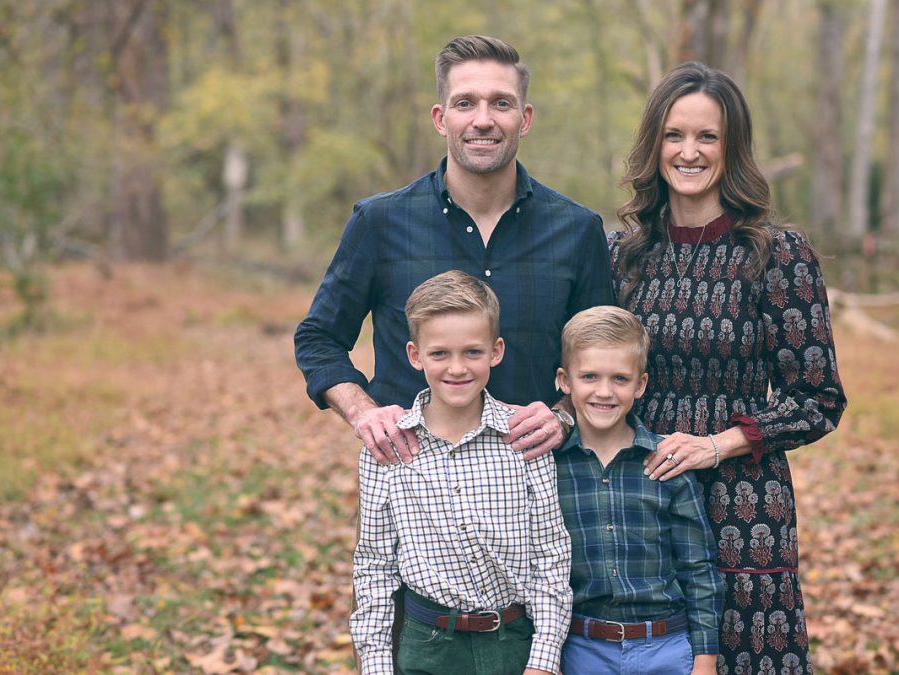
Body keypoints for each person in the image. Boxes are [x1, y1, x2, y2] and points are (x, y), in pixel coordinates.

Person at [607, 62, 847, 673]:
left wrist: (717, 445)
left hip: (742, 506)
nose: (689, 152)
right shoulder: (622, 256)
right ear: (654, 145)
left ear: (731, 148)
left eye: (707, 137)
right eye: (674, 136)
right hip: (640, 496)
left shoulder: (777, 255)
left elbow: (817, 399)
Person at [294, 34, 612, 465]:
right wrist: (362, 411)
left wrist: (565, 416)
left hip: (539, 487)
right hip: (411, 486)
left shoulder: (577, 230)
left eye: (501, 103)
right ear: (441, 118)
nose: (483, 120)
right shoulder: (380, 222)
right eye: (465, 104)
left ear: (526, 118)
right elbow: (319, 338)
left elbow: (604, 358)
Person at [350, 270, 573, 675]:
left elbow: (551, 557)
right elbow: (374, 567)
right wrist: (376, 665)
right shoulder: (388, 448)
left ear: (496, 351)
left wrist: (544, 659)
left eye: (473, 352)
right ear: (415, 355)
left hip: (514, 641)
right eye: (439, 354)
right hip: (427, 645)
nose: (457, 368)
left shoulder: (523, 437)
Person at [554, 306, 724, 674]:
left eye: (619, 378)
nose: (604, 391)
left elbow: (698, 568)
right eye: (589, 377)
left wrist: (705, 661)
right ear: (565, 381)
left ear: (640, 384)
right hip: (582, 647)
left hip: (665, 647)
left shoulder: (667, 464)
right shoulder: (550, 466)